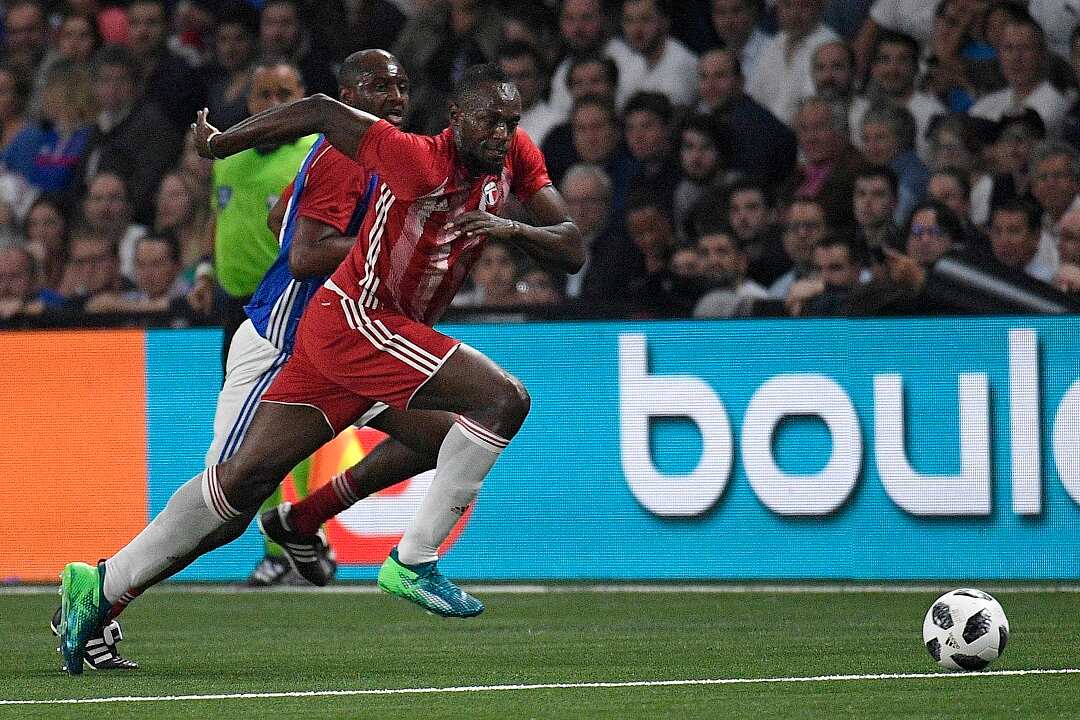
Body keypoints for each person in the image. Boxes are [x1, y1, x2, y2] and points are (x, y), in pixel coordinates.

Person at [58, 62, 583, 674]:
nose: (391, 98)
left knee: (443, 441)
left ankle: (284, 524)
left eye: (400, 86)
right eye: (376, 88)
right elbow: (304, 246)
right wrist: (222, 144)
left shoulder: (472, 153)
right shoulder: (374, 154)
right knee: (229, 501)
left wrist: (496, 227)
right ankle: (412, 560)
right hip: (302, 334)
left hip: (366, 334)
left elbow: (570, 246)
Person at [211, 58, 318, 373]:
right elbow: (218, 217)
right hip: (235, 305)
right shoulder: (228, 155)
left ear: (302, 96)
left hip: (293, 302)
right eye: (264, 95)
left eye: (283, 94)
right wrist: (207, 271)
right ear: (249, 101)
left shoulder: (319, 153)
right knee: (237, 402)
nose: (274, 104)